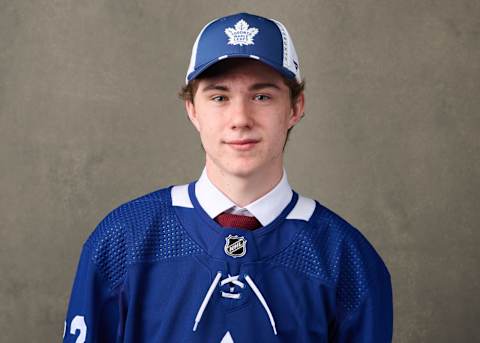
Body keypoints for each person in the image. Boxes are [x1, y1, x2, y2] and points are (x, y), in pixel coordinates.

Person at [63, 12, 393, 342]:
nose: (240, 119)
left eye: (261, 96)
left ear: (295, 107)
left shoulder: (347, 259)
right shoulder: (123, 239)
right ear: (192, 109)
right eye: (219, 97)